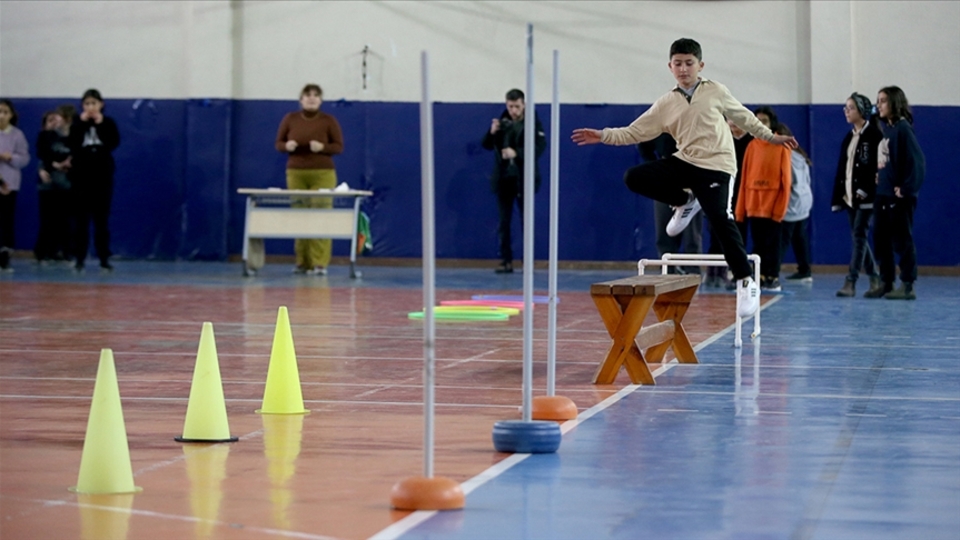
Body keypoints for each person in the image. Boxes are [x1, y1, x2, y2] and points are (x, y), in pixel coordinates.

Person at [571, 38, 797, 317]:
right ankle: (685, 200)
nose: (683, 68)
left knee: (719, 219)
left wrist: (771, 137)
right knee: (634, 177)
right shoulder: (667, 102)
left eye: (689, 63)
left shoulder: (715, 91)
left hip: (718, 165)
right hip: (686, 161)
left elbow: (746, 118)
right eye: (678, 63)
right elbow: (635, 132)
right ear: (670, 66)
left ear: (700, 65)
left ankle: (746, 280)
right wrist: (603, 135)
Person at [275, 83, 344, 275]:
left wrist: (322, 148)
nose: (312, 98)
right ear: (301, 99)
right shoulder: (290, 119)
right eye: (308, 95)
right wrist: (286, 146)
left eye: (316, 95)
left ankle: (319, 263)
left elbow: (338, 147)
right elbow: (278, 143)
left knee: (320, 216)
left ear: (321, 100)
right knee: (299, 215)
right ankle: (302, 262)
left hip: (323, 173)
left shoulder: (329, 121)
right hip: (296, 173)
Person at [866, 86, 925, 300]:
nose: (879, 105)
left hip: (898, 197)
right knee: (881, 240)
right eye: (878, 100)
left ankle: (908, 284)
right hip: (883, 194)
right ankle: (887, 282)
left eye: (883, 101)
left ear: (894, 103)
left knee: (902, 239)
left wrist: (906, 188)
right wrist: (881, 176)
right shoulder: (888, 130)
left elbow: (917, 163)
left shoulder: (902, 129)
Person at [481, 88, 546, 274]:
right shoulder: (502, 123)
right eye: (510, 106)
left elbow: (540, 147)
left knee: (526, 222)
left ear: (523, 105)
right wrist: (491, 132)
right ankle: (505, 260)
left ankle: (527, 261)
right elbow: (485, 144)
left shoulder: (533, 124)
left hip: (523, 179)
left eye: (517, 106)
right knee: (504, 222)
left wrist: (517, 153)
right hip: (503, 179)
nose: (513, 110)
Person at [831, 92, 883, 298]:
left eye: (850, 107)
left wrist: (864, 190)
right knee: (858, 237)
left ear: (861, 111)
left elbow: (873, 168)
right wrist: (839, 196)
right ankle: (874, 276)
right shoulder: (849, 137)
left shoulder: (874, 136)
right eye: (845, 107)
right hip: (850, 197)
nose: (846, 111)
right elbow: (843, 169)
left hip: (866, 198)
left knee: (860, 236)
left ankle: (851, 281)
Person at [735, 106, 792, 292]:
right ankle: (758, 275)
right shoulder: (751, 146)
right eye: (758, 120)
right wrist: (740, 210)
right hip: (753, 205)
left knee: (773, 244)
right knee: (757, 244)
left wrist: (780, 209)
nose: (761, 124)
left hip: (773, 206)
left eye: (765, 121)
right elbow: (744, 179)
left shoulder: (781, 146)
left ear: (772, 123)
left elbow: (786, 181)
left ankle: (772, 276)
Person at [68, 89, 120, 273]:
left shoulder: (109, 123)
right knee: (80, 221)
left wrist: (101, 124)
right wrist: (81, 125)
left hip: (102, 178)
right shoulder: (76, 124)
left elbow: (112, 143)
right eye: (87, 104)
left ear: (101, 105)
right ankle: (79, 258)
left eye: (94, 104)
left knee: (101, 221)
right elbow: (72, 144)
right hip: (81, 178)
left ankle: (104, 258)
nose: (90, 108)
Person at [638, 133, 703, 275]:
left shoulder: (694, 121)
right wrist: (653, 165)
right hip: (665, 177)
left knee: (691, 233)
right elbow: (643, 143)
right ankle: (667, 269)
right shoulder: (660, 122)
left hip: (691, 174)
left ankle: (692, 271)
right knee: (664, 230)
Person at [34, 109, 73, 264]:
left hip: (65, 185)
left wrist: (66, 163)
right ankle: (43, 252)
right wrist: (47, 167)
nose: (54, 123)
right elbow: (43, 159)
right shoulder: (43, 140)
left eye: (56, 120)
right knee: (47, 220)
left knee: (64, 221)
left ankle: (63, 251)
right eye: (50, 121)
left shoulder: (66, 139)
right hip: (48, 187)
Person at [776, 123, 813, 282]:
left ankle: (772, 272)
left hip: (792, 203)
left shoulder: (786, 157)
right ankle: (805, 269)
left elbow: (787, 182)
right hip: (804, 200)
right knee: (799, 237)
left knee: (782, 239)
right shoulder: (799, 155)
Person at [0, 99, 31, 272]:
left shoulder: (17, 135)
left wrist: (11, 158)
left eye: (5, 112)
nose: (2, 116)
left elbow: (25, 158)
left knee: (7, 221)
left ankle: (5, 256)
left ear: (11, 115)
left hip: (10, 184)